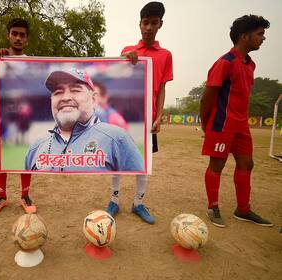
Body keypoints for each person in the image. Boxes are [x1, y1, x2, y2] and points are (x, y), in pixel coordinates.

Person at [200, 15, 273, 228]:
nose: (263, 38)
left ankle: (243, 209)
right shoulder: (225, 63)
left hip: (242, 126)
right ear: (244, 36)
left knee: (247, 164)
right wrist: (207, 124)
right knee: (217, 165)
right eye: (260, 34)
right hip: (222, 125)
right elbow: (207, 97)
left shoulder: (250, 65)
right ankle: (213, 207)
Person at [105, 2, 173, 225]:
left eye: (154, 23)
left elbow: (162, 87)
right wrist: (124, 59)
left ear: (161, 25)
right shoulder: (127, 51)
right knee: (117, 158)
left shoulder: (165, 55)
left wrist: (159, 114)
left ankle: (138, 203)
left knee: (143, 161)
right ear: (140, 24)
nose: (149, 27)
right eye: (146, 23)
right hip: (124, 117)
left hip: (147, 118)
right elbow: (115, 79)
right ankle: (114, 200)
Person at [25, 68, 144, 172]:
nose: (65, 97)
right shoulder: (36, 146)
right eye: (58, 92)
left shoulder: (118, 139)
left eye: (75, 90)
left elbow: (137, 189)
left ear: (93, 99)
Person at [0, 18, 36, 217]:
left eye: (22, 35)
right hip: (3, 120)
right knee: (0, 158)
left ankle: (25, 196)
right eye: (14, 33)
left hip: (24, 118)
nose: (18, 38)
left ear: (27, 40)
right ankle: (2, 196)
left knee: (25, 156)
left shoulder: (31, 63)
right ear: (8, 36)